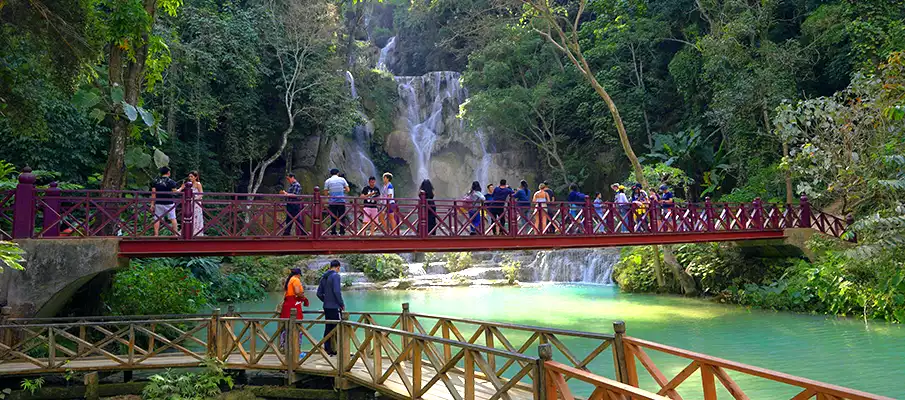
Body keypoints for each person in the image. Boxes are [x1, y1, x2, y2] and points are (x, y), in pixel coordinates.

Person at [316, 260, 344, 356]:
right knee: (337, 328)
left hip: (327, 306)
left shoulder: (324, 276)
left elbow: (319, 293)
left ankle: (328, 349)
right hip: (334, 306)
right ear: (338, 267)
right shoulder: (335, 276)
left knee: (328, 328)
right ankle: (340, 350)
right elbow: (337, 291)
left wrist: (326, 300)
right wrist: (341, 304)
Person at [279, 267, 309, 349]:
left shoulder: (290, 280)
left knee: (287, 326)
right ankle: (295, 347)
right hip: (293, 305)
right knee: (296, 325)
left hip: (287, 305)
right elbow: (297, 291)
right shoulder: (296, 280)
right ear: (298, 275)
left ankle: (285, 346)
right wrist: (303, 297)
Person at [151, 167, 180, 236]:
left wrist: (152, 204)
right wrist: (181, 188)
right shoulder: (171, 182)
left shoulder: (155, 181)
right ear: (168, 173)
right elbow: (175, 192)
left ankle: (156, 234)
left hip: (158, 202)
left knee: (157, 218)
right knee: (173, 218)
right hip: (169, 202)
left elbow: (153, 193)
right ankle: (175, 234)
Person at [323, 169, 350, 235]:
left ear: (331, 174)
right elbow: (348, 190)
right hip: (341, 201)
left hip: (332, 202)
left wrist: (330, 193)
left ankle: (333, 232)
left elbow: (325, 193)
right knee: (342, 217)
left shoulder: (328, 181)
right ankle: (342, 231)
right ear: (338, 173)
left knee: (333, 217)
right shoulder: (342, 179)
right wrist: (341, 190)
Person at [182, 171, 204, 237]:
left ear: (196, 177)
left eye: (192, 176)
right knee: (189, 216)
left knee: (196, 216)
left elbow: (201, 194)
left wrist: (195, 199)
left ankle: (197, 232)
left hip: (196, 202)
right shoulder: (188, 184)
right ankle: (188, 231)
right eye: (189, 176)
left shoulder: (198, 184)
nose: (190, 178)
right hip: (189, 202)